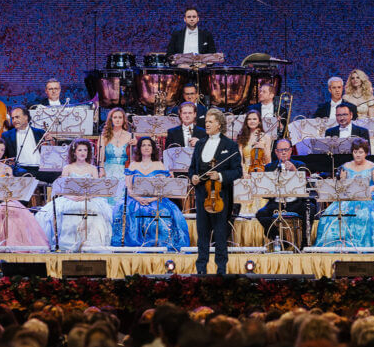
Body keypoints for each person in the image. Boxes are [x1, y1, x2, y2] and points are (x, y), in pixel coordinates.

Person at [112, 137, 189, 251]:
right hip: (135, 199)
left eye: (149, 145)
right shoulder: (133, 165)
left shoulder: (159, 165)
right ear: (139, 148)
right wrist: (139, 199)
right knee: (126, 210)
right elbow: (128, 187)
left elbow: (164, 187)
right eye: (143, 145)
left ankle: (161, 244)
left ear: (153, 148)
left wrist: (151, 200)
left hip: (156, 200)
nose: (146, 147)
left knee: (165, 212)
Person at [189, 108, 242, 275]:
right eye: (206, 122)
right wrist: (194, 177)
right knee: (202, 235)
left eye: (210, 122)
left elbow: (237, 171)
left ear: (219, 124)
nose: (207, 124)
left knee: (220, 235)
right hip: (202, 195)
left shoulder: (230, 145)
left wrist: (219, 175)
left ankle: (221, 271)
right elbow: (191, 169)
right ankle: (201, 271)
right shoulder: (200, 144)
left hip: (220, 196)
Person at [36, 139, 113, 251]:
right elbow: (62, 188)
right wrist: (71, 197)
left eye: (85, 150)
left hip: (88, 198)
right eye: (80, 150)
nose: (83, 152)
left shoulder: (92, 169)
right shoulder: (68, 168)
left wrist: (86, 197)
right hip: (70, 198)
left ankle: (90, 245)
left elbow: (96, 189)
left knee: (95, 212)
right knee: (67, 211)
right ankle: (67, 245)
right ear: (74, 152)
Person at [314, 138, 374, 248]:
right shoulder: (346, 166)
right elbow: (341, 187)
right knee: (329, 216)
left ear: (366, 153)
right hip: (349, 198)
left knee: (367, 217)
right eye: (355, 152)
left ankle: (366, 247)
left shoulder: (373, 167)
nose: (358, 155)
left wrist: (370, 188)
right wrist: (342, 180)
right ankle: (337, 246)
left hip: (368, 198)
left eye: (361, 152)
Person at [255, 139, 308, 246]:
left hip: (295, 202)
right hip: (276, 202)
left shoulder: (300, 165)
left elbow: (305, 186)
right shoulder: (269, 167)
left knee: (310, 209)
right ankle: (279, 238)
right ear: (275, 152)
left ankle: (304, 242)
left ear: (291, 151)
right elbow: (265, 190)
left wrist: (294, 170)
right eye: (280, 150)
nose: (283, 153)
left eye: (286, 150)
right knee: (261, 214)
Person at [237, 110, 275, 215]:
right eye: (249, 119)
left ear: (259, 121)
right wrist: (243, 173)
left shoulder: (266, 137)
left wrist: (263, 148)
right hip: (246, 170)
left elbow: (268, 161)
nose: (252, 121)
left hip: (260, 170)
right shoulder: (242, 137)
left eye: (254, 119)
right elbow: (240, 158)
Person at [1, 105, 47, 183]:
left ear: (26, 117)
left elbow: (49, 154)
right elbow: (2, 156)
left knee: (59, 174)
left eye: (17, 117)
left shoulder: (40, 133)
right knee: (23, 175)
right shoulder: (6, 135)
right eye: (12, 118)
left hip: (40, 169)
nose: (14, 120)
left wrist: (51, 141)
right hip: (20, 169)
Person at [98, 108, 134, 207]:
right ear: (111, 120)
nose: (117, 120)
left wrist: (135, 145)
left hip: (124, 170)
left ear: (123, 120)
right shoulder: (104, 136)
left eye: (120, 117)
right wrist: (101, 169)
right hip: (108, 169)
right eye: (115, 117)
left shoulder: (130, 136)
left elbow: (135, 157)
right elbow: (100, 157)